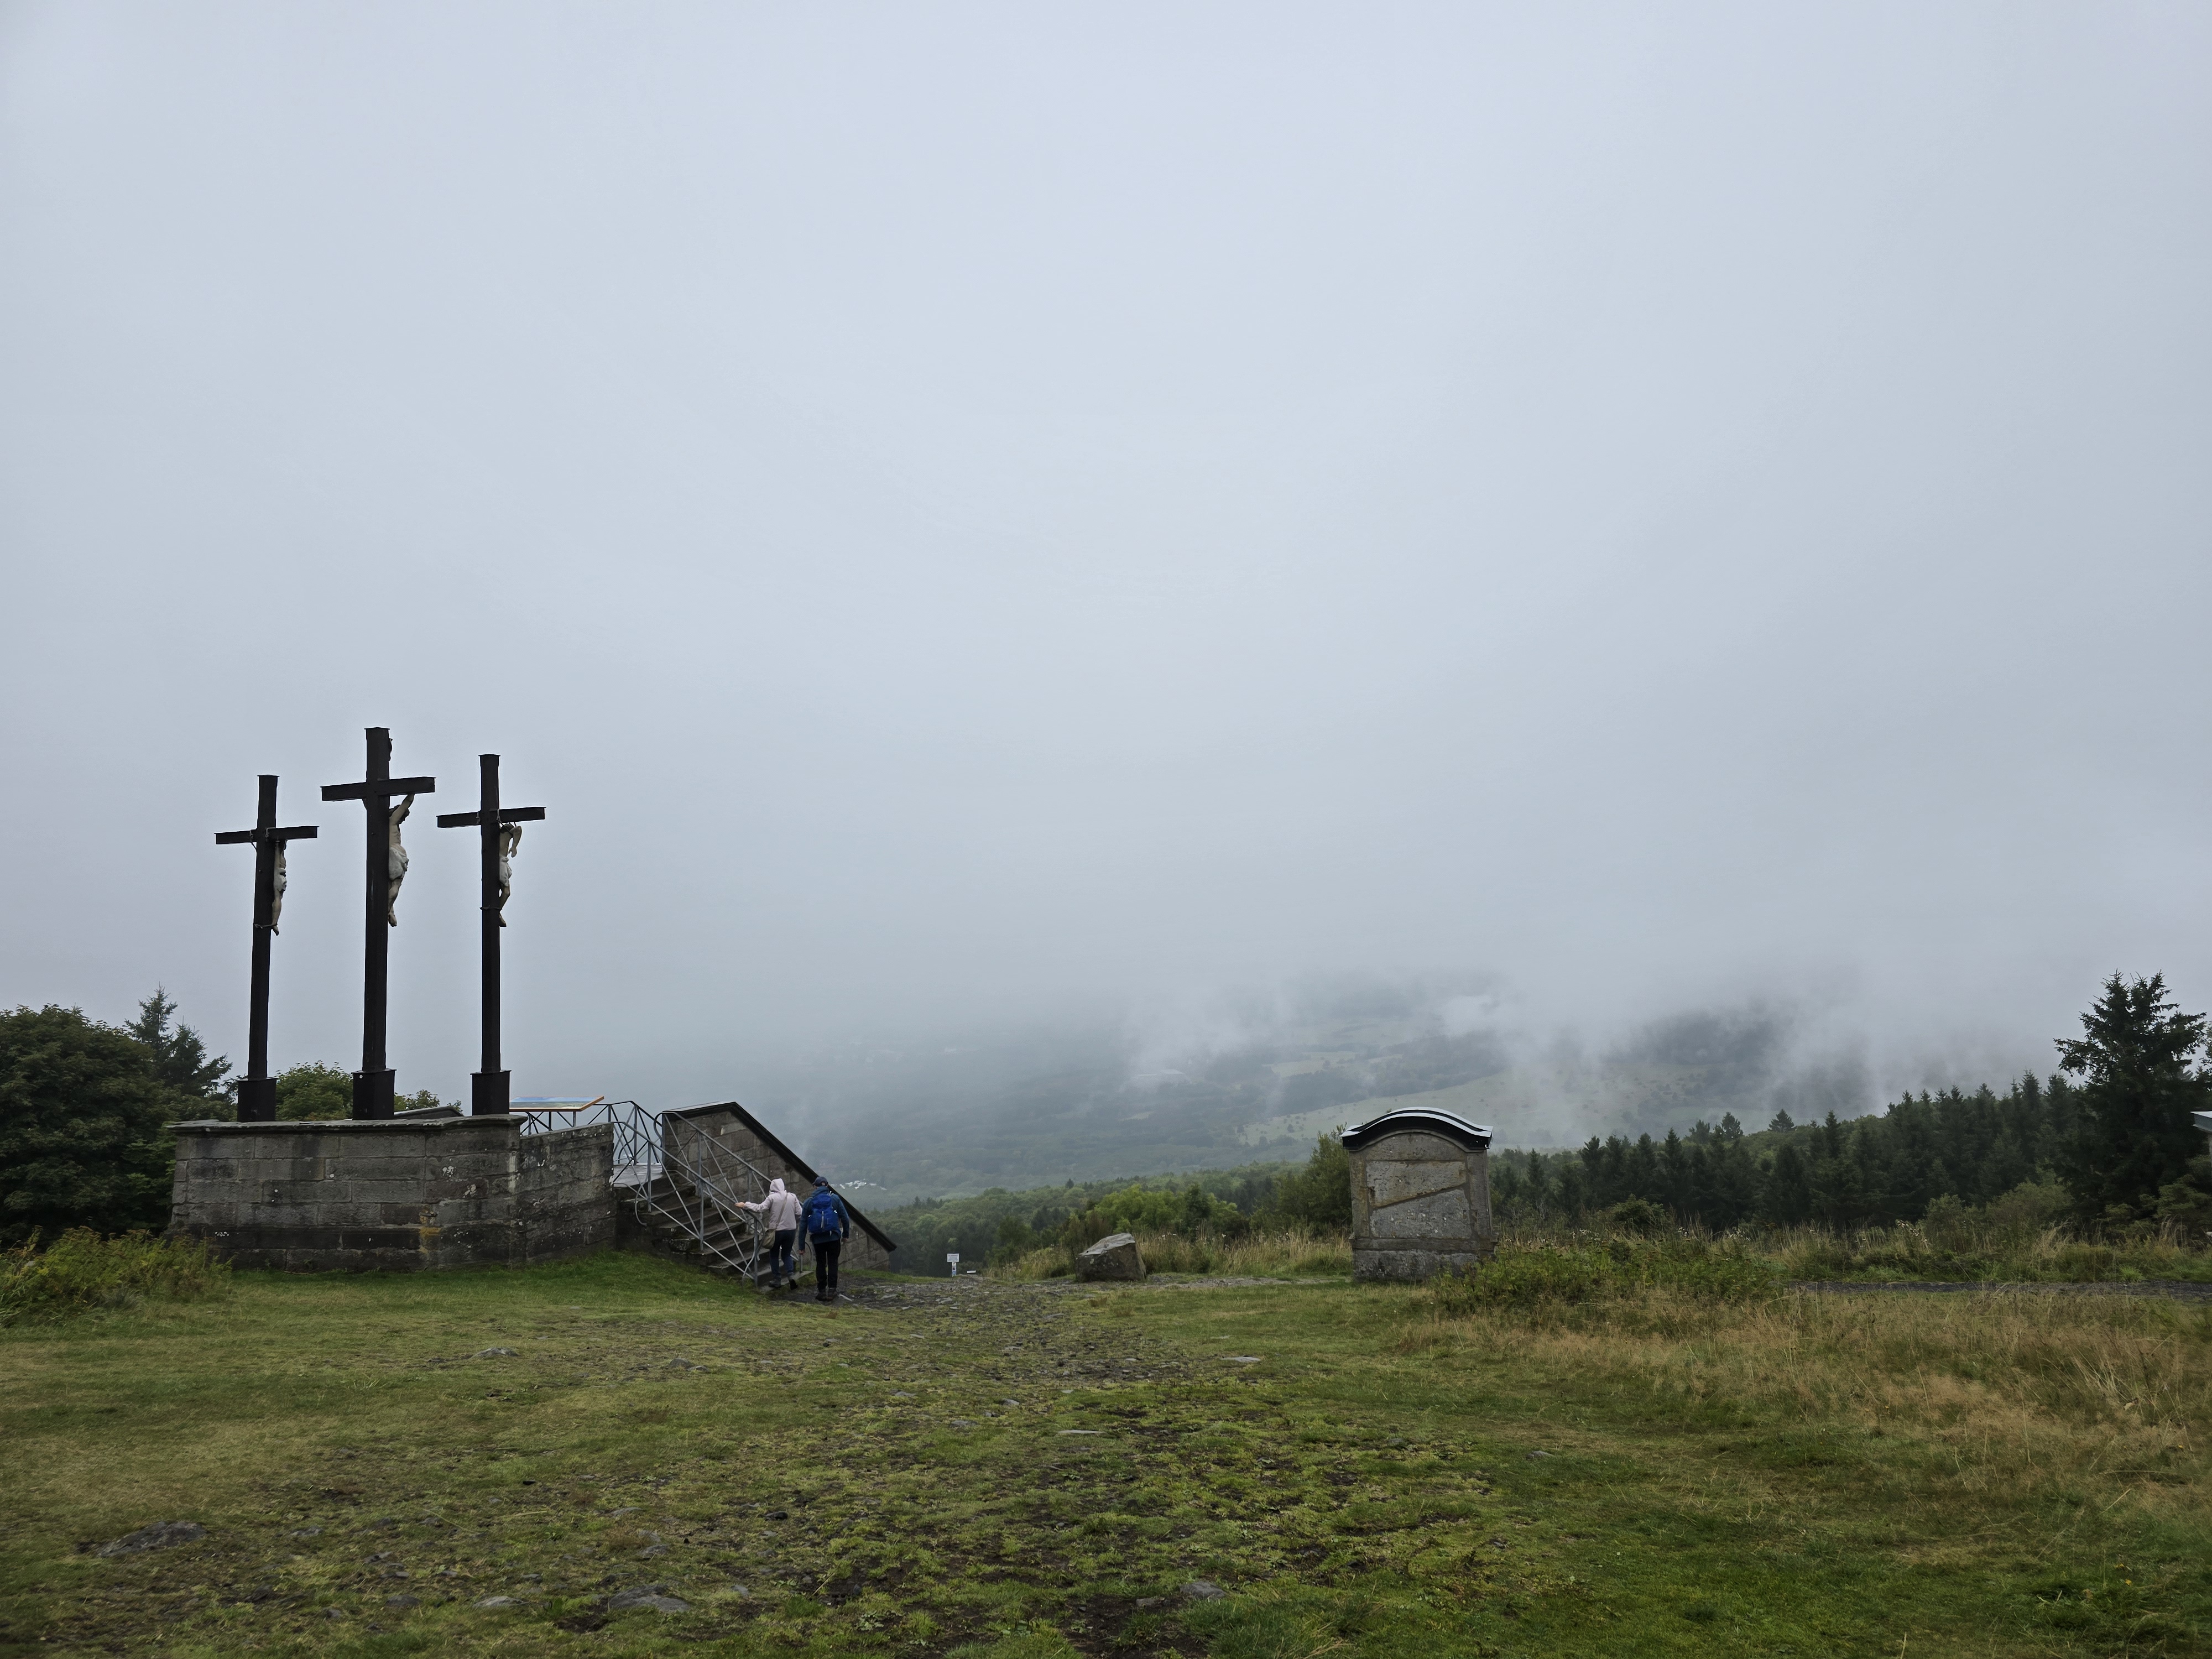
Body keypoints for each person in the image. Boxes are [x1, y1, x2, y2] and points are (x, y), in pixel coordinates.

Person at [741, 1177, 802, 1291]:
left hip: (777, 1231)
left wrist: (746, 1205)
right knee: (787, 1254)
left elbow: (760, 1208)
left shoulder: (772, 1198)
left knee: (774, 1254)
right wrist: (793, 1222)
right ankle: (791, 1275)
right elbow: (800, 1213)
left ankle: (777, 1280)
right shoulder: (792, 1197)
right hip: (791, 1231)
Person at [801, 1176, 852, 1303]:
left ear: (815, 1187)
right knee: (833, 1262)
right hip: (833, 1237)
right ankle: (832, 1290)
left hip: (818, 1239)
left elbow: (803, 1225)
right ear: (827, 1186)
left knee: (821, 1263)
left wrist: (801, 1246)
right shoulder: (835, 1199)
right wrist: (845, 1235)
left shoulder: (809, 1202)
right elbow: (845, 1218)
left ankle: (822, 1291)